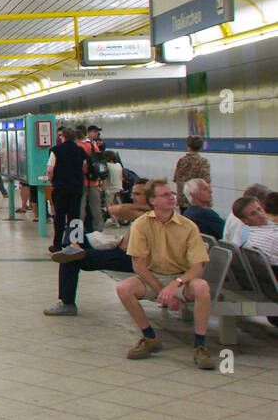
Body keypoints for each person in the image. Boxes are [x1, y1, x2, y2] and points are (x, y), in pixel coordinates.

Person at [115, 178, 214, 369]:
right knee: (123, 288)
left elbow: (197, 268)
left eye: (172, 194)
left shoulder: (188, 226)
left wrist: (175, 284)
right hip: (153, 277)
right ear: (153, 201)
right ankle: (150, 337)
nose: (172, 198)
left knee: (202, 287)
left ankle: (200, 345)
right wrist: (163, 292)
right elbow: (139, 265)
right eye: (166, 195)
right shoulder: (141, 225)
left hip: (182, 279)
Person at [44, 182, 154, 316]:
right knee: (74, 225)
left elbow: (117, 210)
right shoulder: (146, 212)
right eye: (133, 193)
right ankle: (74, 246)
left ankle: (67, 303)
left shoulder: (152, 216)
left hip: (126, 258)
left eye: (138, 194)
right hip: (116, 249)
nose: (133, 197)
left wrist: (147, 206)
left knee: (70, 259)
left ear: (151, 197)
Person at [44, 127, 88, 251]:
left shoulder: (55, 150)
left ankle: (57, 244)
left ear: (62, 137)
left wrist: (51, 179)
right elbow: (84, 166)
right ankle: (75, 244)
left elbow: (50, 169)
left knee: (59, 215)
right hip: (76, 187)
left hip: (60, 187)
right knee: (75, 216)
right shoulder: (80, 151)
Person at [76, 124, 104, 233]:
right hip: (94, 181)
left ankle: (79, 230)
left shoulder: (77, 147)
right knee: (96, 207)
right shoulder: (93, 145)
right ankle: (99, 229)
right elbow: (99, 162)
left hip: (81, 180)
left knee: (80, 208)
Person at [172, 135, 210, 209]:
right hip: (199, 200)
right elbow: (207, 181)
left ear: (188, 146)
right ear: (200, 147)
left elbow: (176, 179)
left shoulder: (182, 161)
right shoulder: (204, 162)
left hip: (183, 200)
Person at [104, 151, 124, 219]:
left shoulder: (107, 165)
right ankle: (121, 219)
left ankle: (115, 222)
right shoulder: (119, 165)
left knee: (109, 206)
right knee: (117, 204)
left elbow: (104, 178)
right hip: (119, 187)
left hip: (110, 189)